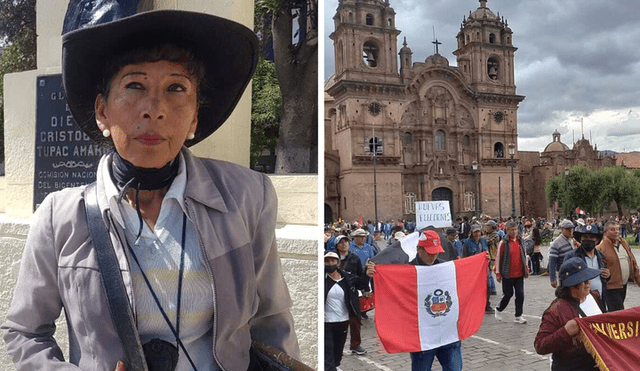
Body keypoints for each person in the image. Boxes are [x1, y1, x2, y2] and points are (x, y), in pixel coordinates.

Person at [2, 9, 299, 371]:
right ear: (102, 111)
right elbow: (24, 332)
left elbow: (272, 322)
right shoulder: (59, 217)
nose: (154, 109)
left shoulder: (247, 197)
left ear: (194, 117)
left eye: (176, 89)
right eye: (134, 86)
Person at [366, 230, 463, 371]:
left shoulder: (446, 268)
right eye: (430, 252)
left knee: (454, 369)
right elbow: (389, 292)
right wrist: (373, 276)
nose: (434, 255)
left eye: (436, 252)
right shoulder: (407, 271)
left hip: (448, 333)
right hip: (423, 336)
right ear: (419, 249)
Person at [534, 257, 604, 370]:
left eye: (588, 278)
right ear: (572, 284)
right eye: (583, 280)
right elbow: (540, 345)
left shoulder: (594, 296)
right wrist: (566, 331)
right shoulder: (556, 310)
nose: (588, 283)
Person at [324, 252, 372, 371]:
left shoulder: (347, 278)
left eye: (332, 261)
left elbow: (361, 283)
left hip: (343, 320)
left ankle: (335, 365)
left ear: (338, 263)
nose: (330, 263)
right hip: (326, 322)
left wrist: (367, 275)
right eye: (327, 261)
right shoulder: (322, 279)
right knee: (328, 348)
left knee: (338, 348)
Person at [334, 235, 370, 356]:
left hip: (351, 293)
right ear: (337, 245)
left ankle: (355, 344)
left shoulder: (354, 258)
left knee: (355, 320)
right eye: (341, 242)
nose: (344, 244)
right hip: (335, 293)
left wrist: (366, 288)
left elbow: (360, 276)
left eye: (346, 242)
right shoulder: (332, 258)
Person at [596, 221, 640, 311]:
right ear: (605, 232)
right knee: (618, 310)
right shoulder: (600, 248)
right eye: (612, 230)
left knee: (618, 308)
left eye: (617, 229)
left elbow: (632, 261)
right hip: (611, 287)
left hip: (623, 285)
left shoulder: (623, 244)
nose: (616, 231)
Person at [566, 224, 610, 310]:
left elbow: (604, 279)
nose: (588, 239)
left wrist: (608, 276)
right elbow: (565, 280)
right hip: (580, 301)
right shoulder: (572, 256)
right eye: (585, 237)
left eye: (591, 237)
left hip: (599, 300)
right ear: (580, 239)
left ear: (597, 240)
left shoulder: (601, 256)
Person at [494, 221, 529, 324]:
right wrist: (498, 273)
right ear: (507, 230)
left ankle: (518, 315)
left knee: (520, 294)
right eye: (511, 230)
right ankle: (499, 309)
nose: (514, 232)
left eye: (515, 229)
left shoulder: (521, 241)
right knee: (508, 294)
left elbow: (524, 255)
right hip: (507, 273)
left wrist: (526, 268)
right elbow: (498, 258)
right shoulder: (503, 243)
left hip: (519, 273)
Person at [548, 220, 576, 288]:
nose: (570, 230)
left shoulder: (571, 240)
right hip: (564, 275)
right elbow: (552, 262)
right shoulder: (556, 243)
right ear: (562, 230)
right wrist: (552, 278)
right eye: (567, 229)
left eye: (571, 228)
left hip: (574, 273)